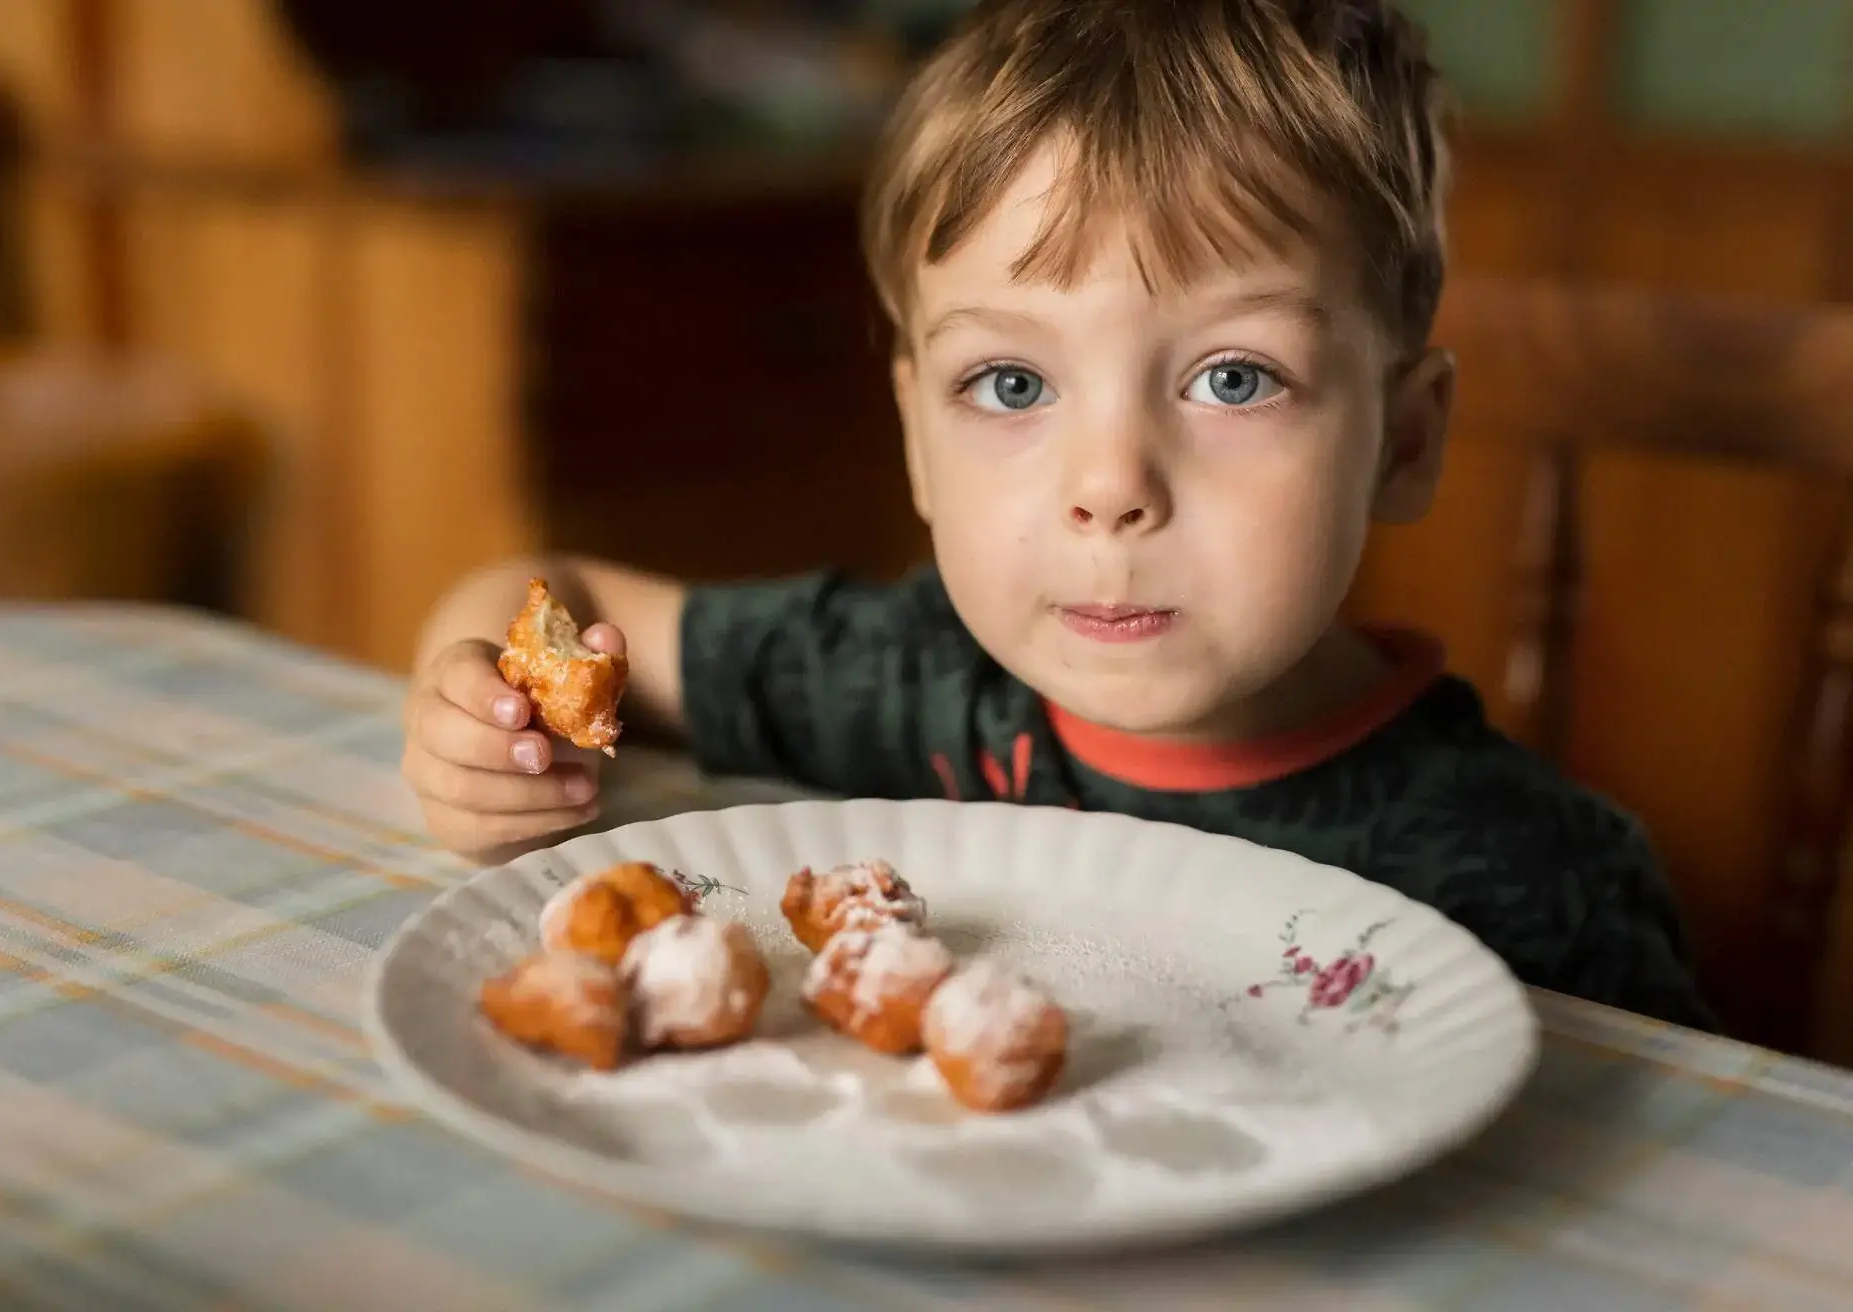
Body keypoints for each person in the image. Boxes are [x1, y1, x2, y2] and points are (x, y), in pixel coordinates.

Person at [400, 0, 1712, 1028]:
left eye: (1233, 377)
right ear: (917, 432)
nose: (1110, 485)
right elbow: (552, 586)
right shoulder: (909, 681)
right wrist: (489, 728)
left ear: (1404, 440)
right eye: (1012, 382)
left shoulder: (1543, 890)